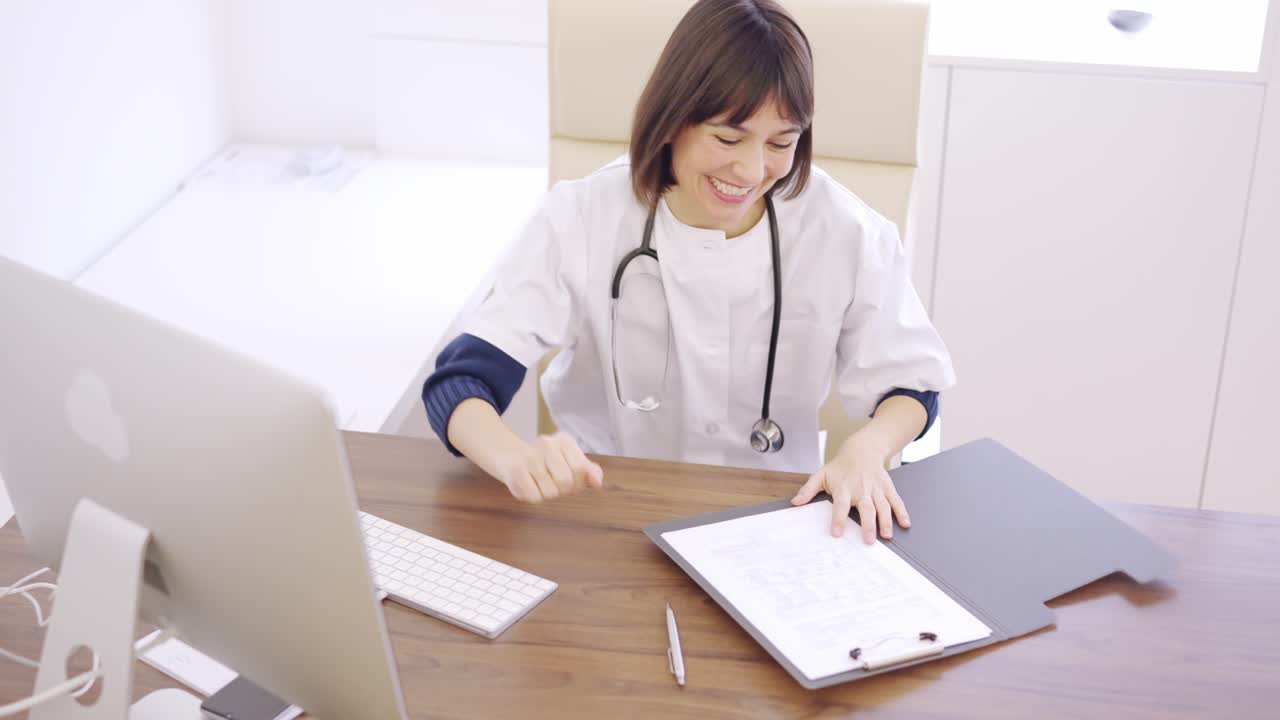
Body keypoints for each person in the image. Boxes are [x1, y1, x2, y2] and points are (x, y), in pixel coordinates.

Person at [422, 0, 954, 544]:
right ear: (673, 118)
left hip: (775, 519)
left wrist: (866, 449)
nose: (750, 170)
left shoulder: (846, 231)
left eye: (781, 143)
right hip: (610, 511)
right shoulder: (582, 217)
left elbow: (912, 384)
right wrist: (514, 459)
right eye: (727, 138)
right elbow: (460, 382)